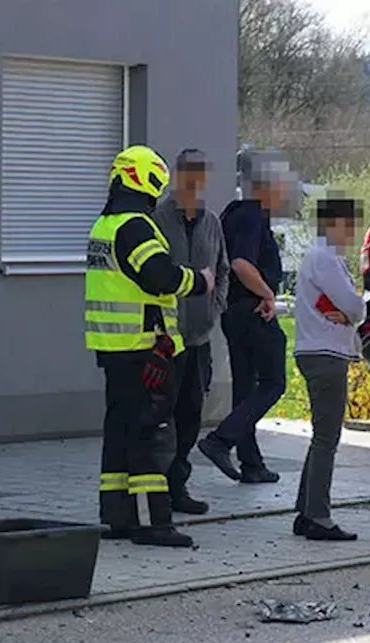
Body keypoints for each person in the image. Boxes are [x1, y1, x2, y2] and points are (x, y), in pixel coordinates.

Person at [86, 144, 214, 548]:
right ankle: (151, 522)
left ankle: (117, 516)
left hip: (115, 349)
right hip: (146, 349)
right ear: (148, 179)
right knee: (150, 433)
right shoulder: (135, 226)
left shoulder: (103, 226)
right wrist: (199, 281)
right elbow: (159, 276)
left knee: (120, 431)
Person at [197, 149, 291, 484]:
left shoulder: (232, 213)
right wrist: (266, 293)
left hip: (232, 313)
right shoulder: (252, 216)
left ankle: (251, 463)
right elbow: (240, 263)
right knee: (273, 382)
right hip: (253, 313)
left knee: (245, 386)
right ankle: (220, 441)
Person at [149, 149, 230, 515]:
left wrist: (216, 308)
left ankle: (178, 485)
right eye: (188, 177)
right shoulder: (156, 218)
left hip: (198, 338)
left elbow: (223, 270)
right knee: (160, 415)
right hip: (164, 340)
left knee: (190, 415)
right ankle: (158, 491)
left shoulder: (212, 222)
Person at [291, 197, 366, 541]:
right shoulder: (326, 258)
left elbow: (346, 307)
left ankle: (305, 511)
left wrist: (349, 310)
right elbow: (353, 305)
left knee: (321, 436)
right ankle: (318, 516)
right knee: (326, 439)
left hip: (317, 351)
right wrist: (354, 309)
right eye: (349, 224)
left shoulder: (320, 256)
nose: (352, 232)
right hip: (325, 353)